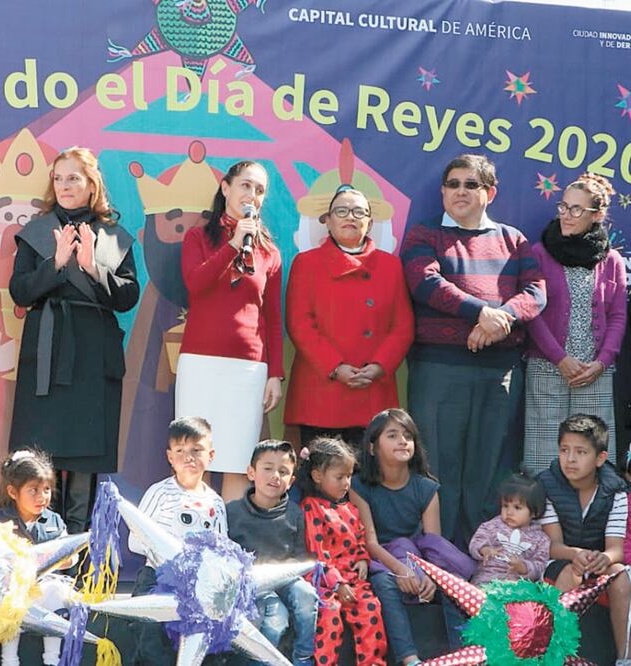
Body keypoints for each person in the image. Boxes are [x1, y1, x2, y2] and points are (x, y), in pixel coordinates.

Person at [400, 153, 546, 544]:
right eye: (453, 184)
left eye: (471, 184)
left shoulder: (513, 239)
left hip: (499, 371)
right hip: (439, 369)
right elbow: (426, 284)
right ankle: (439, 556)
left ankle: (484, 561)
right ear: (443, 192)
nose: (460, 191)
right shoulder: (423, 235)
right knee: (437, 466)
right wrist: (482, 313)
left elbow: (535, 292)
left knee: (490, 467)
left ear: (490, 193)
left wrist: (500, 323)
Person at [8, 146, 139, 534]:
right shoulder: (37, 231)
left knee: (84, 461)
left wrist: (93, 269)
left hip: (92, 358)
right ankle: (41, 551)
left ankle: (78, 561)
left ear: (92, 184)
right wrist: (56, 265)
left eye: (74, 178)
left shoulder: (113, 235)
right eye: (59, 178)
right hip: (46, 355)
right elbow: (20, 292)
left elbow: (127, 297)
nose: (65, 186)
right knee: (41, 458)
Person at [176, 160, 283, 501]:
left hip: (248, 367)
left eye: (259, 190)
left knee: (237, 461)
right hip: (200, 361)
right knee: (193, 458)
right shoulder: (198, 237)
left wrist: (275, 374)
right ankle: (191, 541)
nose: (252, 195)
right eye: (246, 185)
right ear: (226, 188)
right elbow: (196, 284)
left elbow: (273, 317)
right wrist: (234, 244)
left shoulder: (270, 252)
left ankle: (227, 545)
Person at [285, 186, 414, 449]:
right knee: (321, 480)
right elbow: (300, 324)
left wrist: (379, 366)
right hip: (322, 391)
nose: (350, 217)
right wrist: (335, 367)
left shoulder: (391, 266)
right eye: (341, 211)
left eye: (359, 212)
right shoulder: (306, 263)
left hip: (373, 389)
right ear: (328, 221)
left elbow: (403, 326)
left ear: (370, 222)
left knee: (369, 480)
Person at [351, 408, 475, 666]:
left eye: (408, 436)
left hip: (418, 559)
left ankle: (465, 655)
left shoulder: (427, 487)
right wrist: (399, 570)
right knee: (385, 583)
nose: (402, 441)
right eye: (393, 435)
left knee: (453, 585)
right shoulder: (359, 486)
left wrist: (430, 575)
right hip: (382, 559)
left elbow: (433, 543)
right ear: (373, 448)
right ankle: (410, 658)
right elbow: (370, 542)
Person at [524, 173, 627, 474]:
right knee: (544, 461)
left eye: (577, 209)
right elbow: (533, 312)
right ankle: (545, 521)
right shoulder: (540, 253)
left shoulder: (611, 261)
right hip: (547, 368)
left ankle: (589, 521)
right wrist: (560, 358)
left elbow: (618, 315)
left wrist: (603, 362)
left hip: (595, 373)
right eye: (563, 207)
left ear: (597, 215)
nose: (567, 215)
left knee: (591, 461)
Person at [128, 417, 227, 666]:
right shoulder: (159, 493)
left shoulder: (215, 502)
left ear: (211, 455)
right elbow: (134, 540)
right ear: (170, 457)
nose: (189, 458)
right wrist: (172, 553)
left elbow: (222, 548)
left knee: (195, 652)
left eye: (197, 450)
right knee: (151, 646)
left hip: (198, 589)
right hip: (156, 579)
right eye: (181, 451)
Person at [538, 414, 630, 661]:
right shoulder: (546, 485)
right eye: (564, 450)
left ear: (600, 458)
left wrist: (603, 558)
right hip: (559, 560)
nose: (570, 459)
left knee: (620, 573)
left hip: (599, 561)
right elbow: (553, 546)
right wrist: (575, 554)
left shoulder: (617, 491)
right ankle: (552, 653)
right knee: (571, 573)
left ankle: (624, 656)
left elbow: (615, 548)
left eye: (581, 452)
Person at [226, 440, 318, 666]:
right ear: (251, 472)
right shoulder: (232, 512)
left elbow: (298, 556)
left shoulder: (295, 514)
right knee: (275, 621)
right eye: (267, 468)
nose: (275, 475)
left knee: (307, 595)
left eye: (283, 471)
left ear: (291, 481)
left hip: (285, 577)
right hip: (252, 583)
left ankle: (304, 657)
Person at [297, 437, 388, 665]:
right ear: (317, 476)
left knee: (371, 608)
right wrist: (337, 584)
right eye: (339, 477)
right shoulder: (311, 507)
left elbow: (360, 538)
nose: (346, 483)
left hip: (353, 579)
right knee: (330, 615)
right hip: (323, 582)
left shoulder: (350, 508)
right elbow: (317, 553)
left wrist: (363, 560)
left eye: (348, 476)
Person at [0, 449, 77, 666]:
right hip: (13, 587)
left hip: (45, 587)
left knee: (56, 593)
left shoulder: (54, 521)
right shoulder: (0, 520)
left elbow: (70, 554)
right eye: (33, 490)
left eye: (46, 490)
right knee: (10, 600)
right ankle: (9, 659)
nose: (42, 497)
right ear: (12, 492)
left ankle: (52, 659)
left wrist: (67, 560)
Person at [469, 473, 550, 585]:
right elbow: (475, 542)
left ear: (534, 512)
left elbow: (540, 565)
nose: (509, 512)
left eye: (517, 507)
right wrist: (484, 550)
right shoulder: (492, 526)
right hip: (486, 580)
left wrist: (523, 567)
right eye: (505, 506)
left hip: (517, 586)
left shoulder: (541, 539)